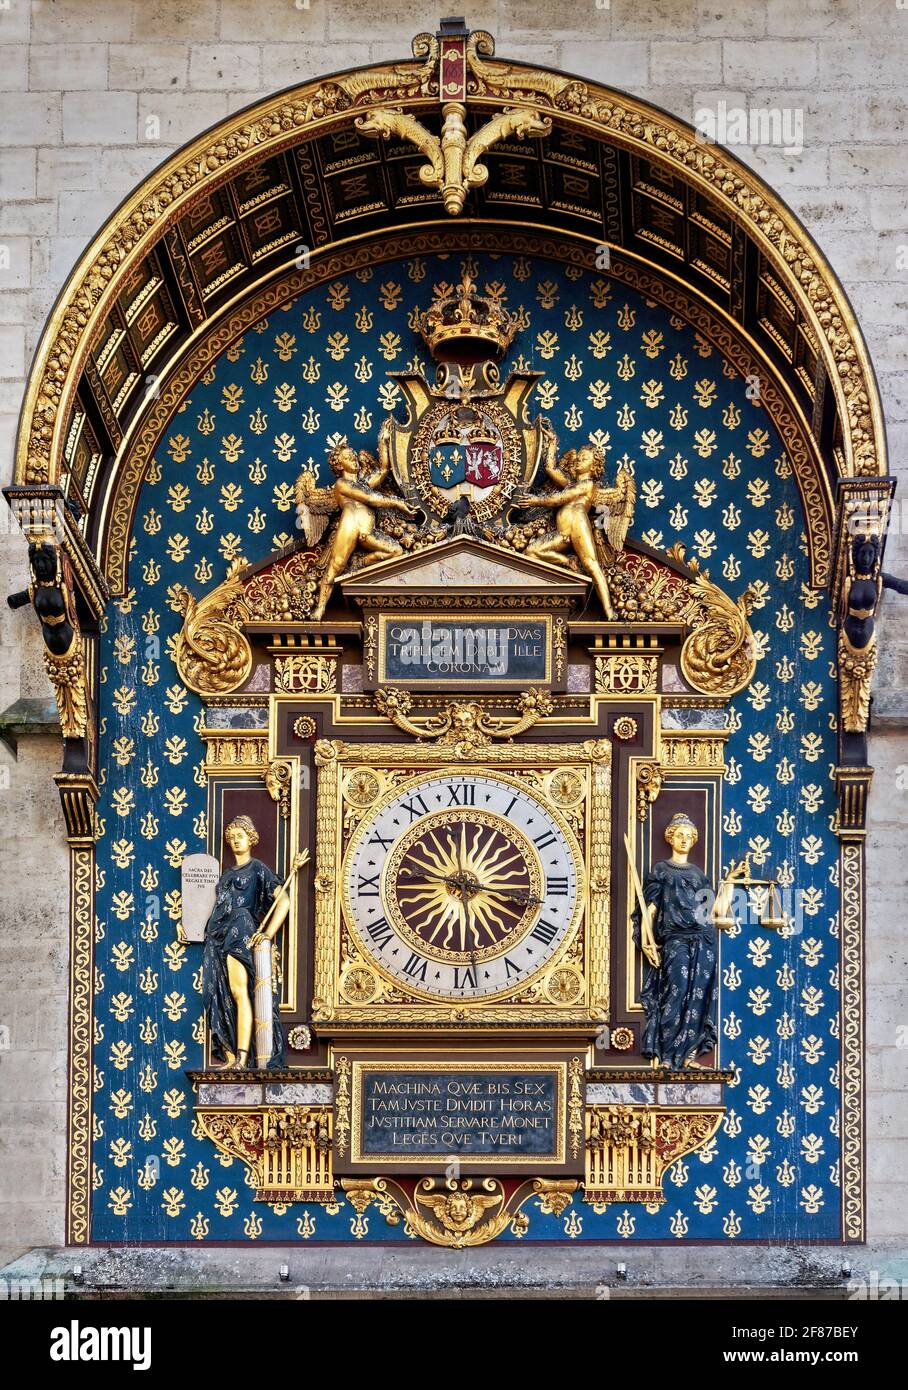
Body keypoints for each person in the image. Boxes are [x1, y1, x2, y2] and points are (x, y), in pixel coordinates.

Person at [631, 811, 718, 1069]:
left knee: (698, 996)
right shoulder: (662, 870)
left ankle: (689, 1055)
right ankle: (668, 1055)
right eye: (679, 834)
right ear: (670, 838)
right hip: (675, 938)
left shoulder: (698, 874)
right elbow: (650, 909)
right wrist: (646, 941)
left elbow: (711, 911)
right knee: (676, 990)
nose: (683, 839)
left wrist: (731, 881)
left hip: (703, 939)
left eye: (688, 836)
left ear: (693, 840)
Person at [202, 816, 290, 1069]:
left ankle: (242, 1056)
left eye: (240, 836)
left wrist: (268, 933)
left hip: (241, 931)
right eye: (231, 838)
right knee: (224, 994)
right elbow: (213, 909)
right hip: (219, 935)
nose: (235, 841)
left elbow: (283, 901)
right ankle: (232, 1054)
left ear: (251, 838)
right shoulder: (227, 874)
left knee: (239, 992)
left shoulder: (257, 868)